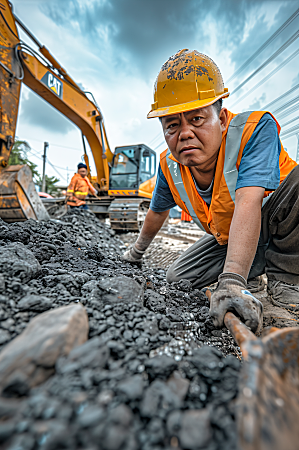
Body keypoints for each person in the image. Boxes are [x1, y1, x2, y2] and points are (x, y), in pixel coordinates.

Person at [122, 49, 298, 333]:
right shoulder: (170, 166)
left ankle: (288, 279)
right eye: (172, 125)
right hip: (234, 233)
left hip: (275, 216)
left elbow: (248, 199)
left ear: (223, 118)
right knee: (177, 276)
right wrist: (136, 252)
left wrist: (230, 281)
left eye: (197, 119)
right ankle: (250, 269)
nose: (185, 133)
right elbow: (157, 211)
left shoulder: (253, 130)